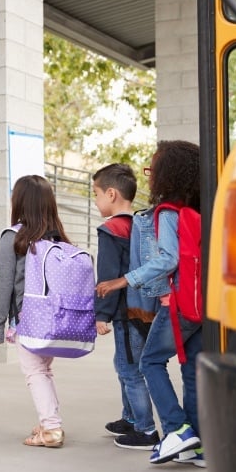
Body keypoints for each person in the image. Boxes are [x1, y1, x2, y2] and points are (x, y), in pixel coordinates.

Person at [96, 140, 203, 466]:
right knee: (191, 371)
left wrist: (123, 280)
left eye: (152, 169)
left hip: (178, 303)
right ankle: (199, 445)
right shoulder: (199, 210)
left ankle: (176, 428)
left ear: (166, 175)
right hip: (201, 302)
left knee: (150, 362)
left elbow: (168, 259)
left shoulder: (167, 213)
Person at [0, 174, 75, 448]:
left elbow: (2, 285)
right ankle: (49, 420)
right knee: (43, 370)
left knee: (34, 372)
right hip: (57, 318)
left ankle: (51, 428)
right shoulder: (59, 239)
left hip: (29, 318)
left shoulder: (14, 237)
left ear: (19, 202)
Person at [92, 164, 159, 451]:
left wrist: (101, 315)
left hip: (124, 311)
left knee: (130, 369)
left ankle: (145, 429)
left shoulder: (111, 229)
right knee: (126, 365)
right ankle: (130, 417)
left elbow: (107, 275)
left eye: (95, 194)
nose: (95, 201)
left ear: (111, 193)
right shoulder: (141, 226)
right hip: (145, 308)